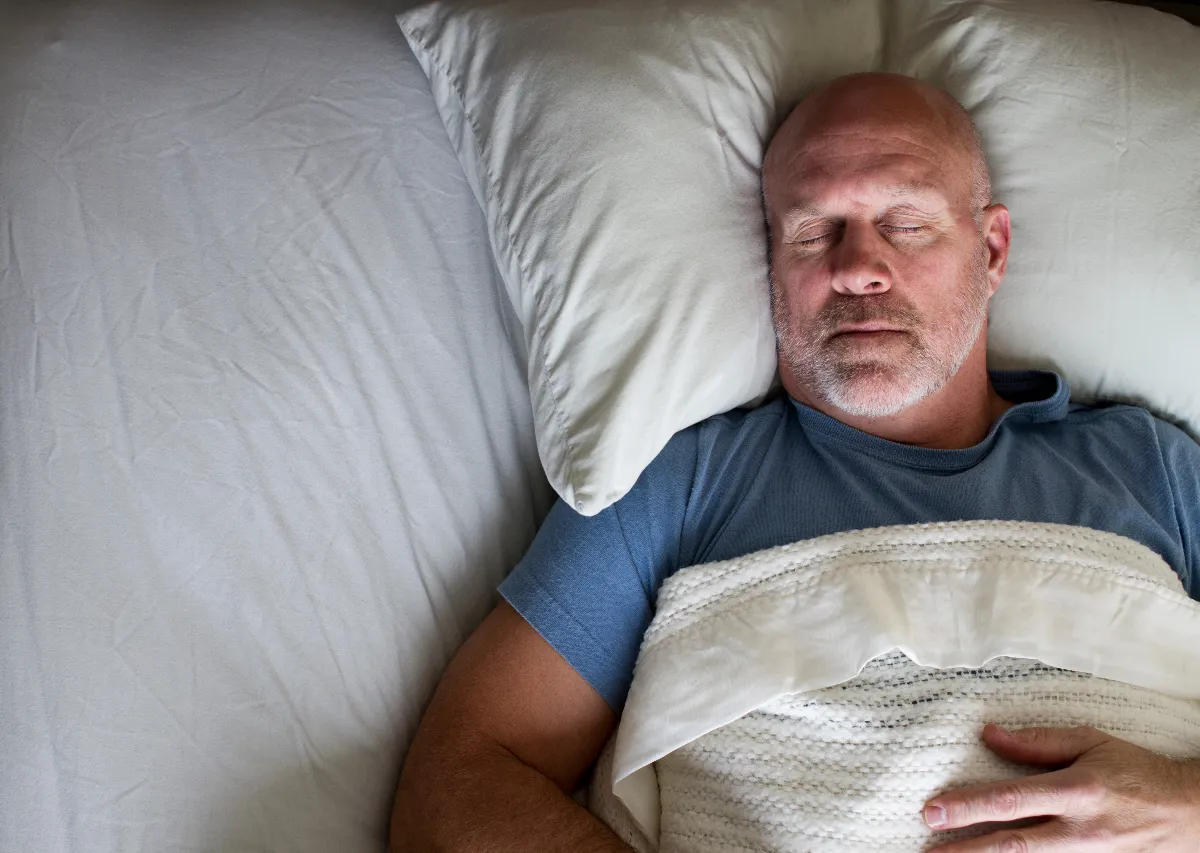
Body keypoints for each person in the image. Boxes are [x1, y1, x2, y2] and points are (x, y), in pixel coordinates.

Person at [391, 73, 1200, 852]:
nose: (856, 267)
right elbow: (456, 786)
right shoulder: (678, 486)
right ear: (772, 266)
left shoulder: (1155, 469)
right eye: (814, 232)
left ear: (991, 249)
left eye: (906, 223)